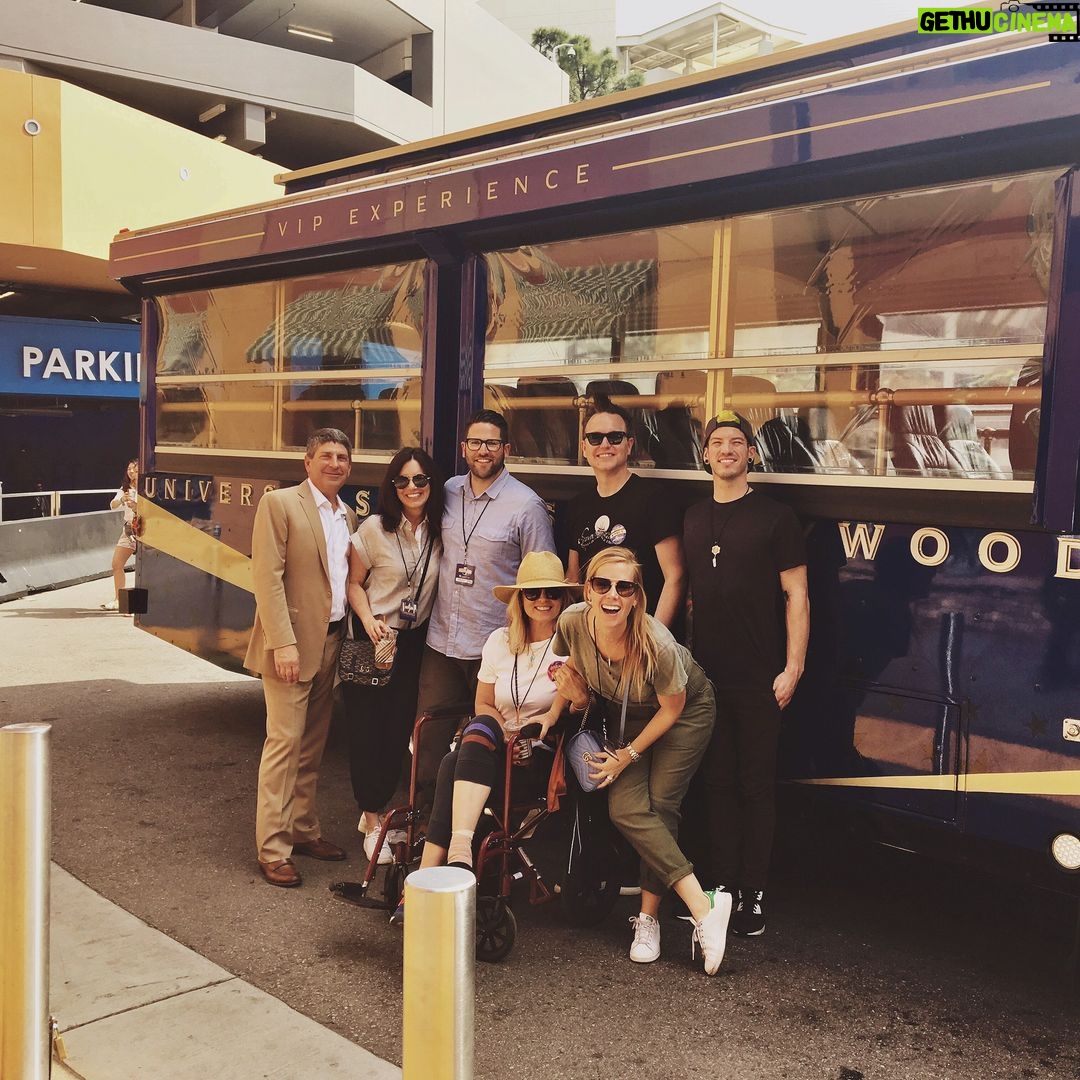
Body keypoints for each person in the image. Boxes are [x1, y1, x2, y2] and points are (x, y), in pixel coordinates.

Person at [552, 547, 730, 975]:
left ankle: (649, 920)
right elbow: (573, 664)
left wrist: (627, 756)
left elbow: (673, 708)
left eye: (624, 587)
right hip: (627, 715)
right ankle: (703, 903)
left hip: (684, 713)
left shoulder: (657, 644)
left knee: (661, 803)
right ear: (588, 589)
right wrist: (553, 713)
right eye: (602, 584)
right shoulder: (572, 621)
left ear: (636, 597)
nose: (612, 595)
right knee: (626, 809)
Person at [393, 551, 573, 924]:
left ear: (563, 598)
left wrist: (520, 734)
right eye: (533, 593)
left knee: (451, 763)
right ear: (519, 599)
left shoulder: (572, 648)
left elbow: (573, 708)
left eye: (552, 593)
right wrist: (504, 733)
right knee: (478, 731)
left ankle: (425, 880)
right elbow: (483, 704)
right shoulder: (499, 641)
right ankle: (456, 855)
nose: (543, 600)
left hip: (533, 759)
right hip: (492, 751)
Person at [683, 410, 809, 936]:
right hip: (706, 680)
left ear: (751, 454)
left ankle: (754, 894)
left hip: (760, 679)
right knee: (715, 784)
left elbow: (796, 595)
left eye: (737, 442)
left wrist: (793, 668)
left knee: (756, 787)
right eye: (718, 442)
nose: (727, 450)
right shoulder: (694, 517)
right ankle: (722, 888)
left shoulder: (777, 518)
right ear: (705, 455)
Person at [410, 408, 556, 817]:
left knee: (491, 743)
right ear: (464, 448)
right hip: (442, 641)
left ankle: (485, 826)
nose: (483, 450)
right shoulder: (447, 491)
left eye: (492, 443)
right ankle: (425, 822)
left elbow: (543, 579)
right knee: (429, 739)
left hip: (497, 648)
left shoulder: (526, 506)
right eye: (475, 442)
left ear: (506, 448)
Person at [246, 428, 358, 888]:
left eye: (342, 457)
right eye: (326, 455)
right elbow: (266, 577)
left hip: (331, 640)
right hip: (291, 645)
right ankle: (273, 849)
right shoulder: (280, 504)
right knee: (284, 745)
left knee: (312, 746)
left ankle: (304, 829)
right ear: (307, 462)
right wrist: (282, 643)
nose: (335, 463)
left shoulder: (347, 514)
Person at [344, 447, 443, 866]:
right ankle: (372, 820)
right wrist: (368, 619)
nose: (412, 487)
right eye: (402, 480)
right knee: (369, 731)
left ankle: (375, 811)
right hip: (376, 639)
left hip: (415, 641)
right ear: (392, 485)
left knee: (400, 730)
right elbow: (353, 583)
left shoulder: (441, 530)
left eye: (420, 479)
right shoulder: (374, 529)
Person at [564, 397, 686, 629]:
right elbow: (574, 579)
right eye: (595, 438)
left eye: (615, 437)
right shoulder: (577, 505)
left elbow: (675, 577)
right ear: (584, 447)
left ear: (629, 445)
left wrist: (654, 638)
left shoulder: (656, 500)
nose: (605, 444)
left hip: (642, 636)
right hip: (595, 636)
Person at [103, 458, 138, 612]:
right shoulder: (125, 489)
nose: (131, 472)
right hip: (129, 529)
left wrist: (136, 507)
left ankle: (145, 603)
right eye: (129, 469)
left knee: (147, 570)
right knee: (117, 564)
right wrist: (122, 500)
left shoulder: (148, 488)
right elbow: (112, 505)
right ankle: (119, 600)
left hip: (146, 529)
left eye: (135, 469)